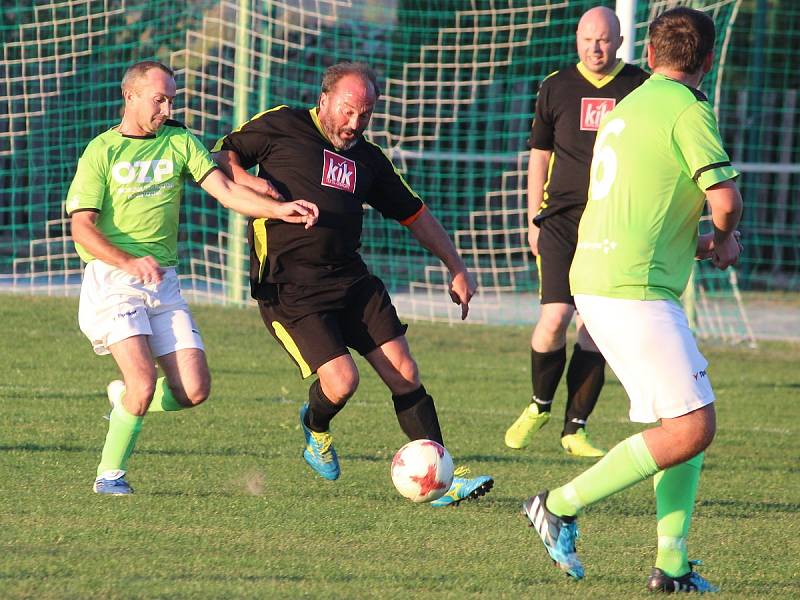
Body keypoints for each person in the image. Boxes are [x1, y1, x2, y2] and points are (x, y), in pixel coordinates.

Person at [521, 7, 742, 593]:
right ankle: (561, 504)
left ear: (647, 55)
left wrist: (699, 246)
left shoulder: (629, 105)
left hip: (603, 273)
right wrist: (723, 239)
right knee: (693, 427)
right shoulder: (686, 109)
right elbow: (725, 200)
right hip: (632, 289)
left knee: (686, 413)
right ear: (709, 60)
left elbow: (642, 207)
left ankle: (671, 566)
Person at [212, 61, 493, 507]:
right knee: (342, 382)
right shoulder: (282, 123)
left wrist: (455, 265)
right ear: (324, 100)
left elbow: (414, 214)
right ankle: (316, 428)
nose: (354, 123)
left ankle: (444, 475)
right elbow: (223, 152)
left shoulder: (368, 159)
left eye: (365, 114)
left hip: (350, 279)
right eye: (347, 111)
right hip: (290, 288)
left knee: (405, 373)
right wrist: (248, 181)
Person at [67, 61, 319, 495]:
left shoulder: (180, 140)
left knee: (195, 390)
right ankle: (109, 476)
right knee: (144, 382)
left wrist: (280, 209)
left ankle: (125, 401)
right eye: (158, 99)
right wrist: (128, 261)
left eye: (171, 100)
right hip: (112, 281)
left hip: (162, 283)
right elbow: (82, 227)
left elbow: (225, 190)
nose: (166, 108)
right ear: (130, 97)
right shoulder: (101, 151)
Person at [505, 6, 649, 457]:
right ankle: (538, 405)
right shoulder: (556, 86)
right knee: (554, 319)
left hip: (613, 221)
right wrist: (533, 217)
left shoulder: (640, 87)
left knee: (596, 328)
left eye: (604, 39)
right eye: (588, 39)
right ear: (576, 39)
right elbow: (539, 157)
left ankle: (575, 428)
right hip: (561, 220)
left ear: (620, 40)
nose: (596, 47)